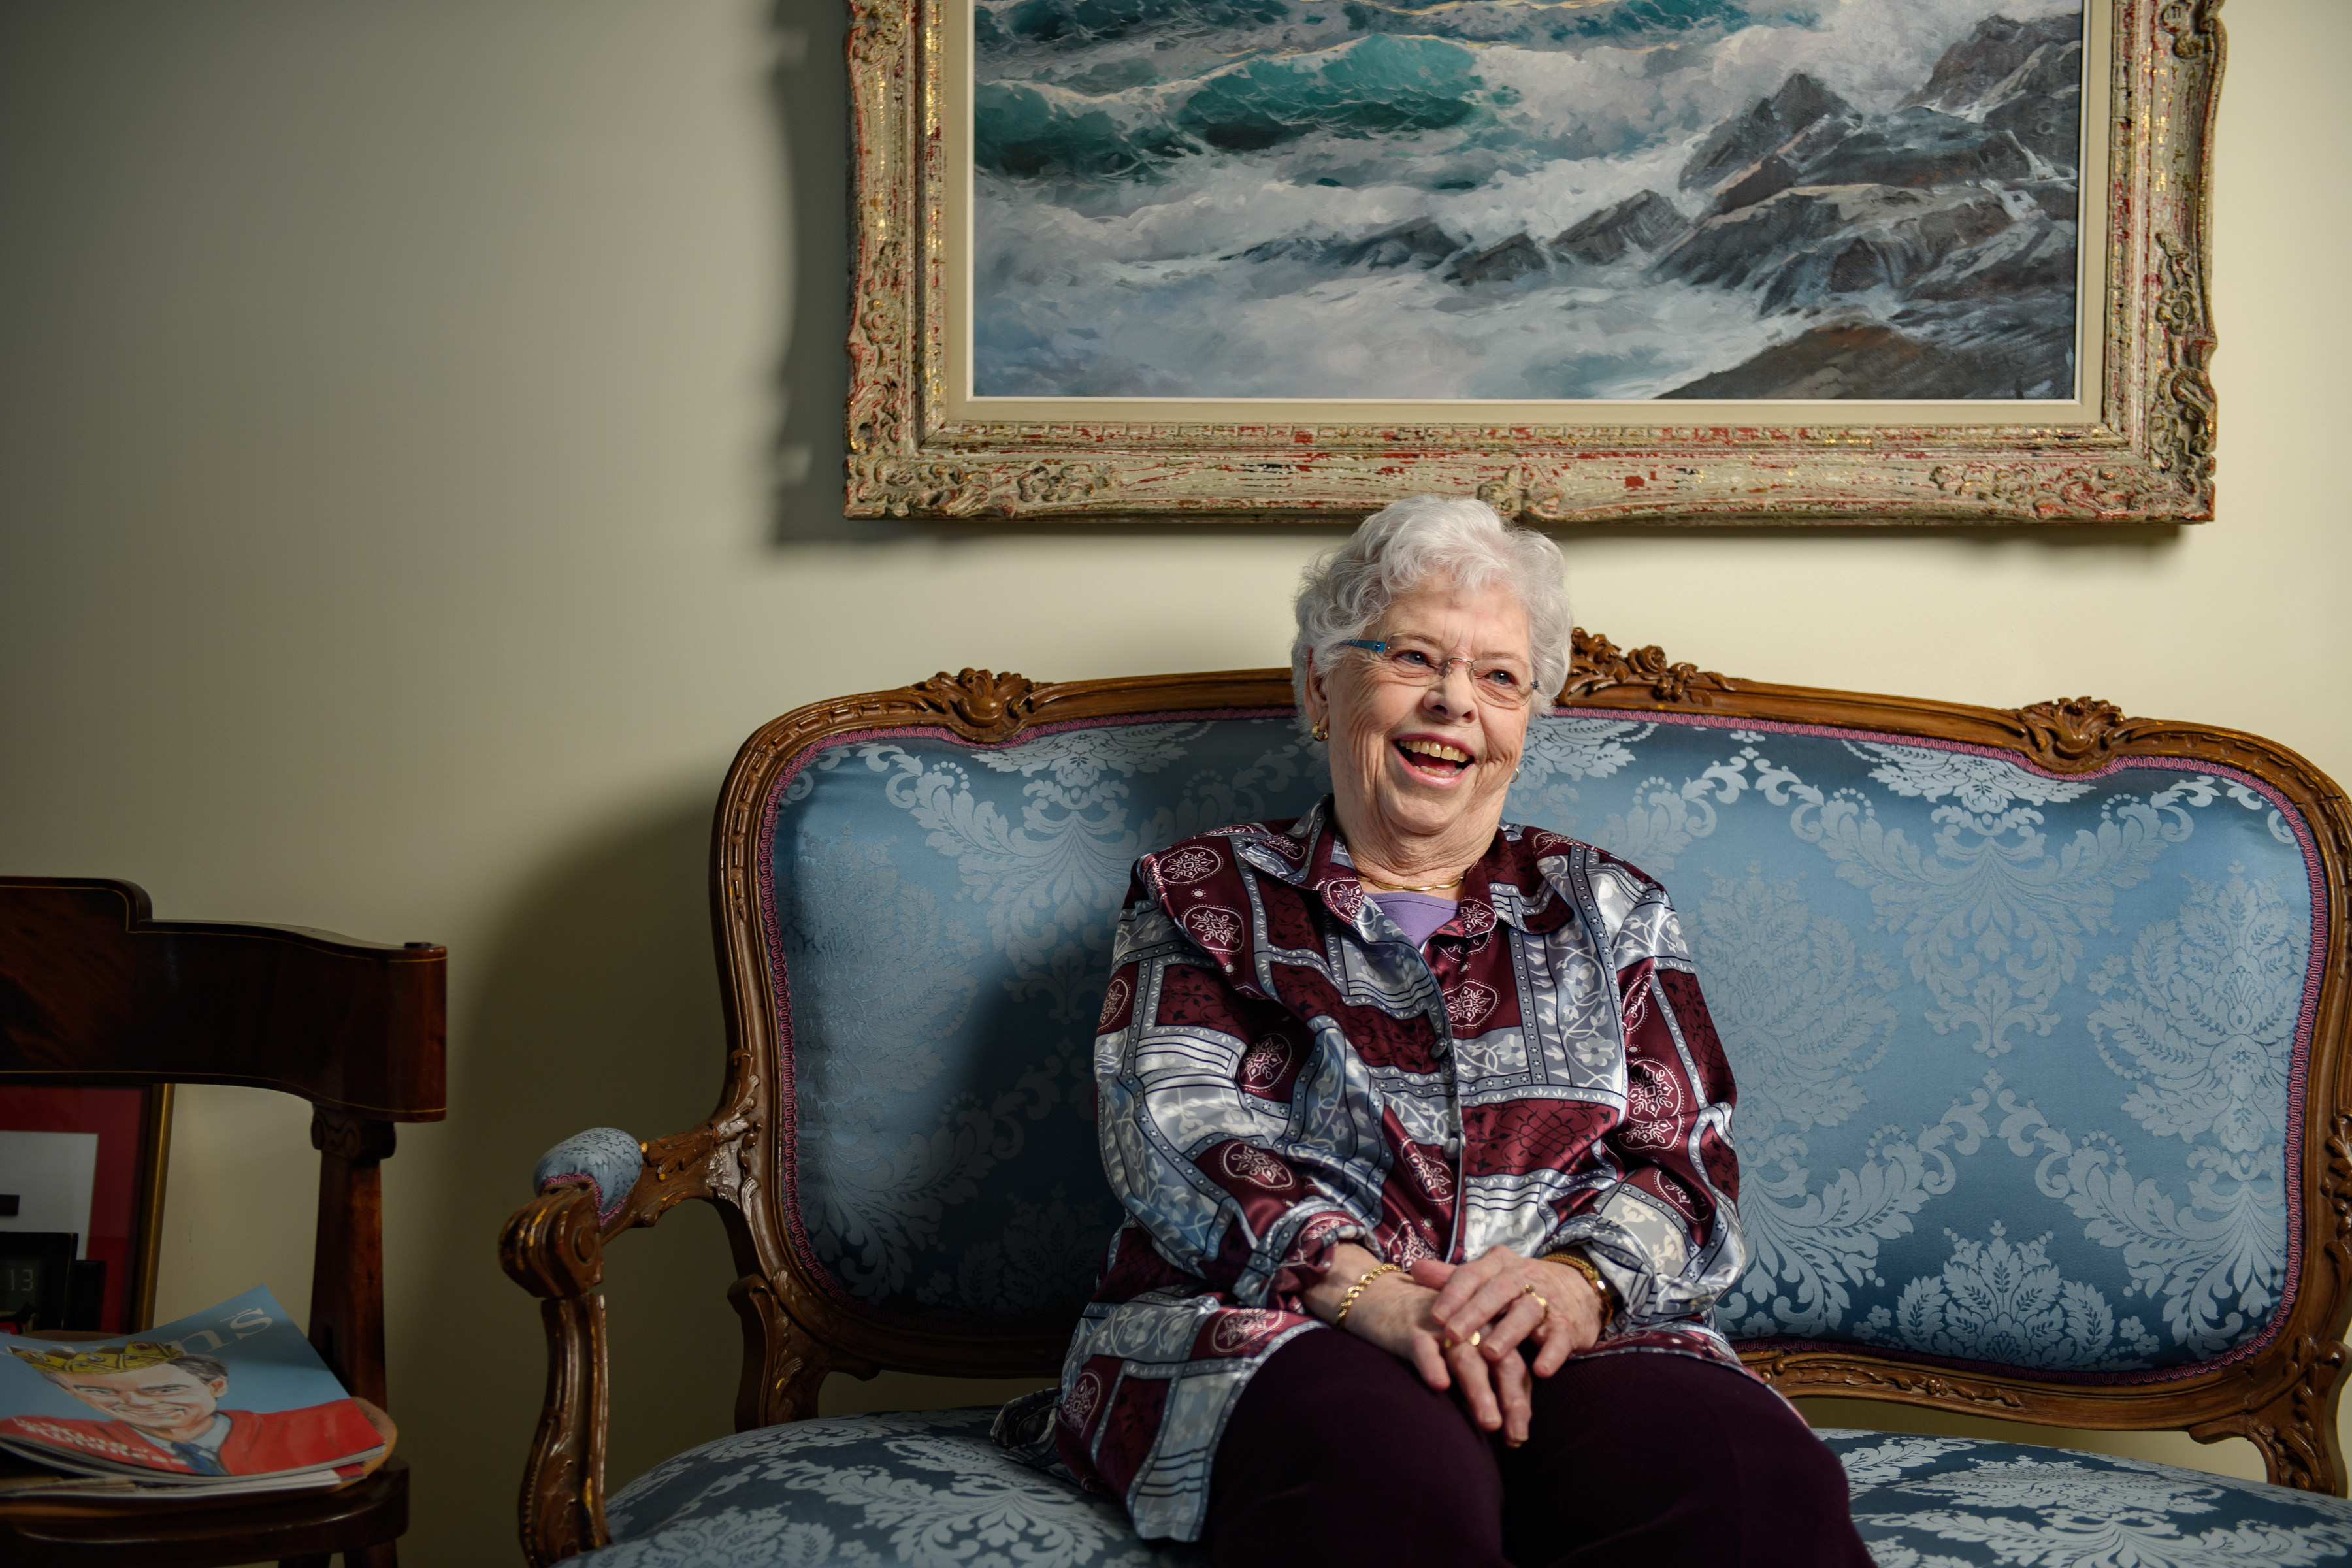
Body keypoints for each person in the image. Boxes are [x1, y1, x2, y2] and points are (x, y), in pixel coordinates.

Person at [1043, 496, 1870, 1567]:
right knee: (1383, 1472)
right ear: (1318, 687)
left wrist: (1577, 1284)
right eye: (1413, 657)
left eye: (1498, 677)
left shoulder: (1612, 907)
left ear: (1528, 718)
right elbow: (1173, 1135)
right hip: (1284, 1324)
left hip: (1568, 1328)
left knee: (1746, 1475)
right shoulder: (1205, 893)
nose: (1453, 703)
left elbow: (1688, 1164)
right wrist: (1369, 1293)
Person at [2, 1339, 382, 1476]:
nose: (134, 1404)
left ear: (216, 1386)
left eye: (164, 1388)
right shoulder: (43, 1435)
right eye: (101, 1393)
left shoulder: (321, 1423)